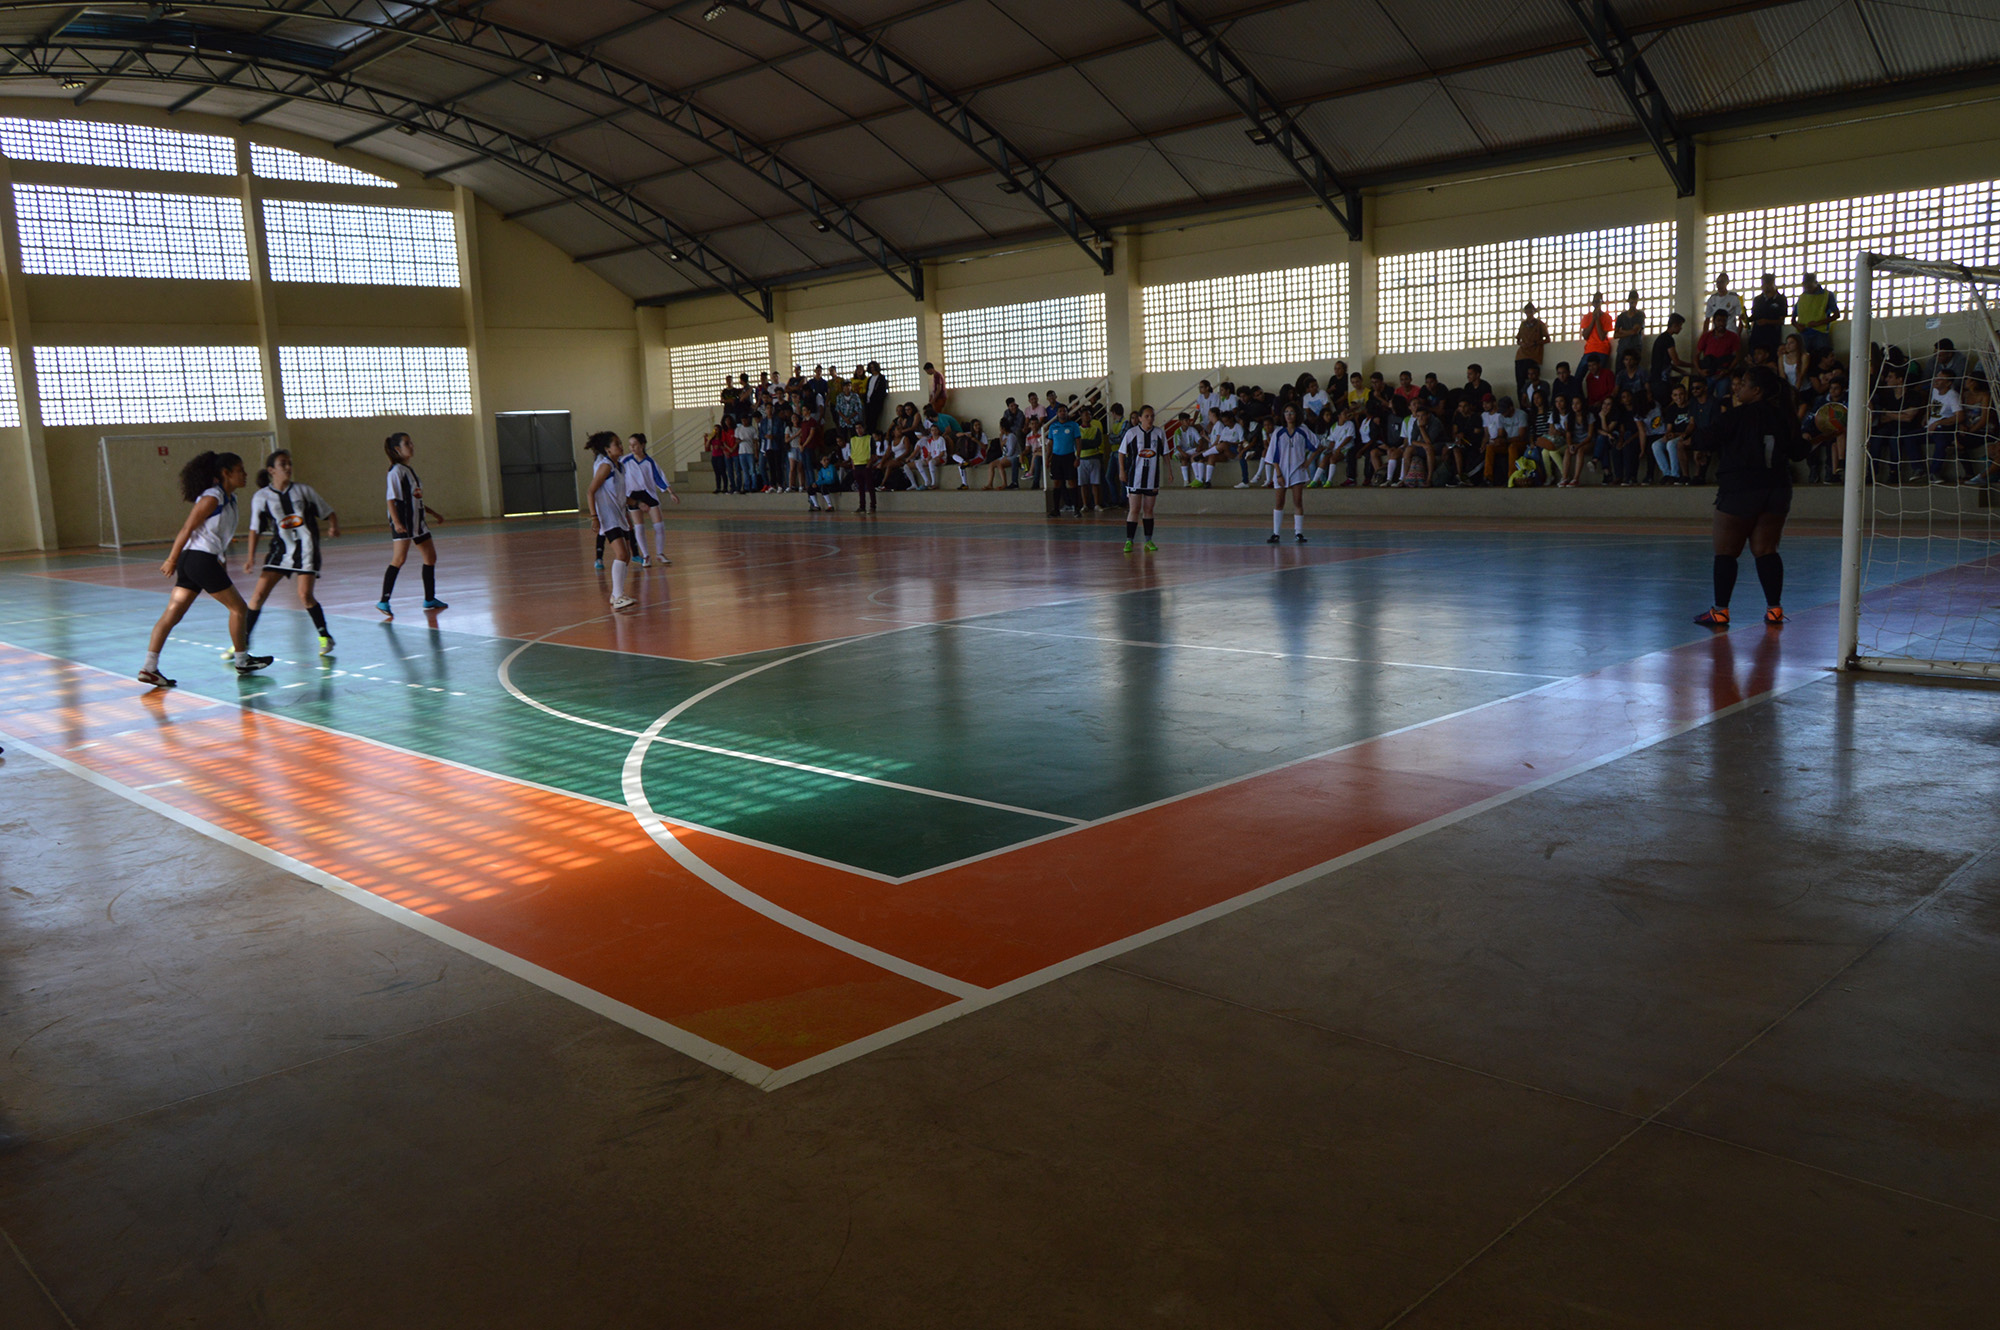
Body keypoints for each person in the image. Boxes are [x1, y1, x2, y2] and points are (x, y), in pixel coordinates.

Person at [137, 451, 271, 686]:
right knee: (239, 608)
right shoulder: (213, 497)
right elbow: (187, 528)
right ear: (225, 473)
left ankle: (149, 668)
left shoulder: (231, 499)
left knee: (173, 614)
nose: (245, 474)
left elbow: (218, 537)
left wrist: (220, 562)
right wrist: (171, 558)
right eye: (240, 470)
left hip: (199, 561)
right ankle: (242, 660)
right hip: (198, 559)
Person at [1696, 366, 1803, 627]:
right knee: (1766, 550)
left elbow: (1705, 440)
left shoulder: (1736, 416)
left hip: (1740, 488)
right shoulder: (1784, 416)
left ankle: (1720, 611)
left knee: (1726, 552)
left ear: (1756, 390)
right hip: (1777, 489)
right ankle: (1774, 610)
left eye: (1743, 382)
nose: (1737, 387)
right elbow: (1799, 451)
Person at [242, 449, 339, 657]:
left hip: (307, 550)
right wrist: (250, 557)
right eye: (282, 464)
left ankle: (325, 637)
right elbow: (254, 529)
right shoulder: (262, 497)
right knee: (257, 596)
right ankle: (243, 640)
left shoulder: (304, 491)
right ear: (271, 470)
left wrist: (333, 526)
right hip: (279, 552)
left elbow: (329, 512)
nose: (288, 467)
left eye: (289, 463)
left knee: (305, 596)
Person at [378, 432, 445, 619]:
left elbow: (415, 498)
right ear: (397, 449)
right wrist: (397, 522)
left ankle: (429, 599)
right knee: (399, 559)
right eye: (407, 443)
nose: (412, 446)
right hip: (404, 523)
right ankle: (384, 600)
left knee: (430, 557)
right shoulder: (395, 471)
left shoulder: (409, 470)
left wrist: (432, 513)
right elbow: (391, 500)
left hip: (418, 522)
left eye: (411, 442)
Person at [585, 432, 637, 611]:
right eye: (617, 444)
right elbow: (590, 491)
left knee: (626, 556)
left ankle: (617, 594)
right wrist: (594, 517)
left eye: (621, 443)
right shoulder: (606, 466)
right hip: (608, 517)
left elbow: (620, 496)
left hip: (619, 515)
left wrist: (637, 503)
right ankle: (617, 596)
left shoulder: (620, 467)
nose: (620, 446)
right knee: (622, 554)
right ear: (607, 449)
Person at [621, 433, 678, 561]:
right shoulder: (625, 461)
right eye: (630, 445)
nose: (632, 447)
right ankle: (646, 555)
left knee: (659, 525)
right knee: (639, 526)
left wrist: (670, 492)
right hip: (633, 495)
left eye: (635, 444)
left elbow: (659, 477)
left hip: (648, 494)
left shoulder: (649, 462)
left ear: (642, 445)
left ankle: (660, 553)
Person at [1263, 404, 1316, 543]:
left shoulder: (1303, 430)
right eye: (1286, 412)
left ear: (1297, 414)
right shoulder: (1278, 432)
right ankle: (1276, 533)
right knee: (1279, 501)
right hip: (1281, 470)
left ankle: (1298, 533)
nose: (1289, 414)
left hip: (1297, 470)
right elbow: (1273, 455)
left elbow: (1317, 446)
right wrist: (1278, 473)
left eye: (1292, 412)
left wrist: (1308, 461)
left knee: (1297, 501)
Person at [1118, 406, 1166, 553]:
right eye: (1146, 416)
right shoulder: (1131, 433)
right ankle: (1129, 541)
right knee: (1134, 509)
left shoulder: (1159, 433)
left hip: (1152, 478)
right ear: (1139, 418)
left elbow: (1166, 454)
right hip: (1135, 477)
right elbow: (1121, 452)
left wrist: (1169, 472)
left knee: (1149, 509)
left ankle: (1148, 540)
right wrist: (1122, 471)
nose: (1150, 419)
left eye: (1152, 416)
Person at [1045, 404, 1082, 513]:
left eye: (1064, 411)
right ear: (1057, 413)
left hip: (1069, 456)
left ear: (1067, 413)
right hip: (1056, 458)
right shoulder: (1053, 427)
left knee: (1072, 482)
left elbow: (1078, 442)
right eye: (1060, 411)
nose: (1062, 413)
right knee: (1057, 482)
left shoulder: (1073, 425)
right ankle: (1056, 509)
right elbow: (1050, 444)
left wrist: (1078, 457)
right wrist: (1048, 458)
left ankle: (1076, 509)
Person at [1792, 273, 1839, 356]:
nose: (1808, 289)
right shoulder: (1802, 297)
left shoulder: (1827, 295)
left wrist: (1818, 323)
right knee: (1802, 358)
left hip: (1820, 333)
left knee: (1822, 357)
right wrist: (1797, 325)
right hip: (1803, 334)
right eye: (1805, 287)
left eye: (1810, 287)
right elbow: (1793, 319)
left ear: (1816, 283)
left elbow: (1836, 315)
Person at [1651, 312, 1690, 406]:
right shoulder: (1668, 339)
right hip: (1661, 381)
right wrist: (1693, 365)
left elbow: (1667, 362)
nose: (1681, 328)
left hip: (1655, 379)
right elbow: (1676, 361)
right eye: (1680, 326)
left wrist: (1681, 371)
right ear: (1675, 325)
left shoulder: (1661, 338)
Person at [1512, 302, 1549, 403]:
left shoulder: (1539, 324)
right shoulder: (1523, 324)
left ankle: (1535, 404)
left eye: (1531, 311)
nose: (1529, 313)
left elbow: (1547, 339)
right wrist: (1521, 344)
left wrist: (1535, 343)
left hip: (1533, 356)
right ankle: (1522, 405)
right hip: (1520, 356)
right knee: (1520, 383)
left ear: (1534, 312)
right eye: (1527, 311)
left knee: (1533, 381)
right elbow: (1518, 340)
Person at [1613, 291, 1646, 370]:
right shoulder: (1621, 316)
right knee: (1620, 373)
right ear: (1628, 300)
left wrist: (1622, 331)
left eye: (1634, 300)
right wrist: (1630, 332)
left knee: (1634, 373)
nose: (1633, 302)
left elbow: (1635, 331)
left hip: (1635, 348)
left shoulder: (1640, 315)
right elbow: (1615, 335)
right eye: (1631, 300)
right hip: (1622, 349)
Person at [1579, 293, 1613, 369]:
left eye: (1598, 301)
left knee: (1600, 373)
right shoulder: (1587, 317)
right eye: (1594, 301)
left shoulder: (1607, 317)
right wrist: (1593, 320)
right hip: (1589, 349)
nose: (1596, 303)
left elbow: (1602, 337)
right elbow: (1585, 336)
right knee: (1579, 373)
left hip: (1602, 350)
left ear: (1602, 302)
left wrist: (1597, 320)